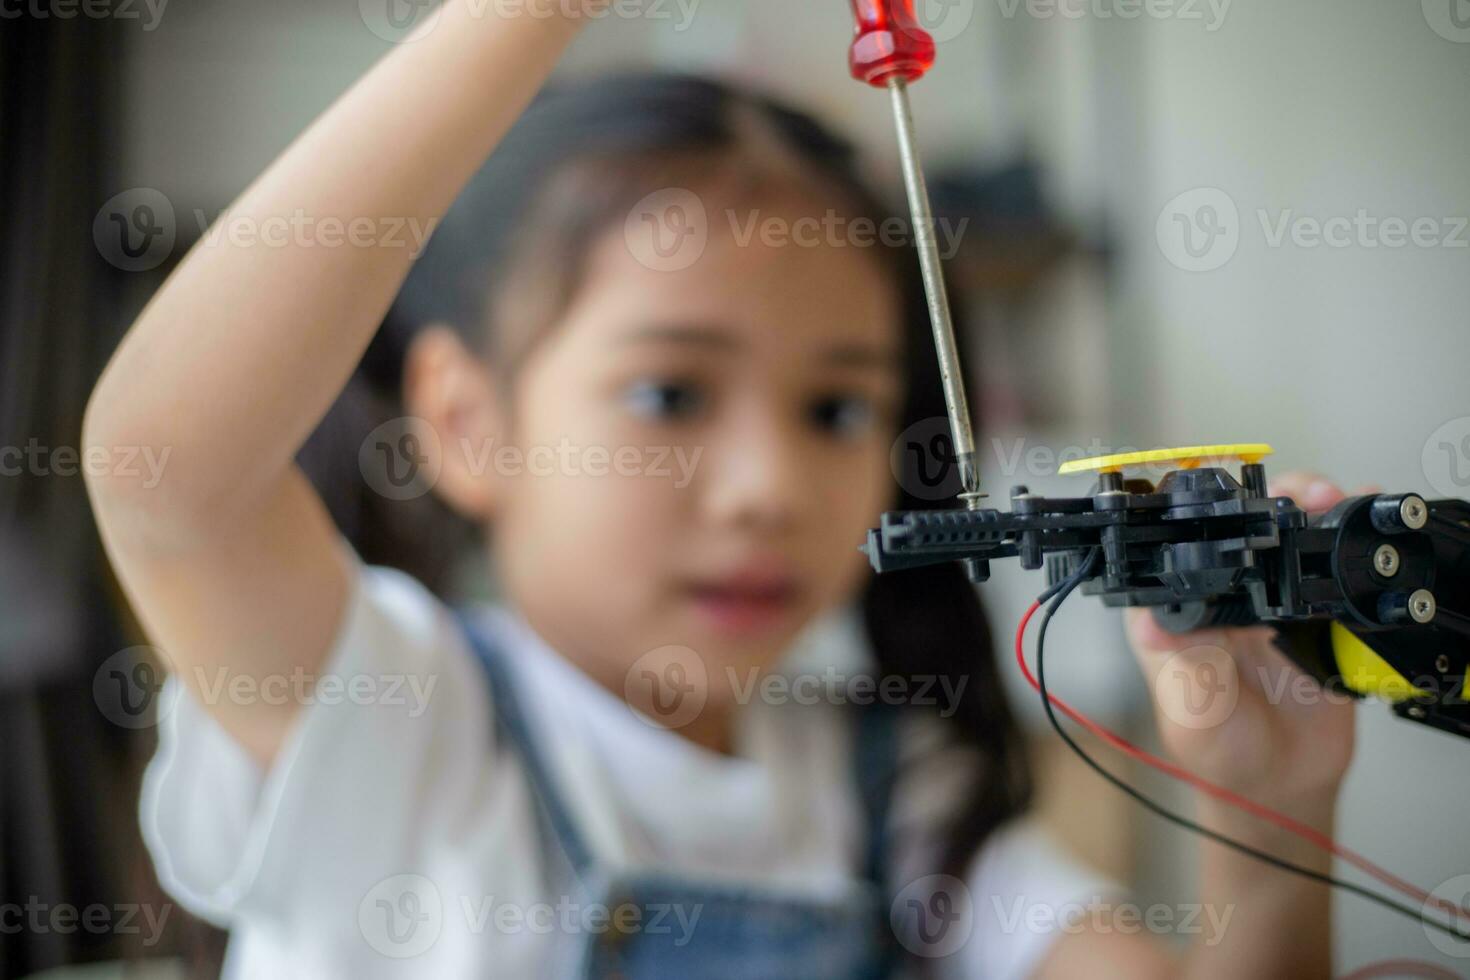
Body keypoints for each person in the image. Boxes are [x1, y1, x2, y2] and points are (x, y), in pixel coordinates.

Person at [83, 3, 1353, 976]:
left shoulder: (904, 793)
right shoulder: (394, 725)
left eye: (838, 408)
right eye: (670, 394)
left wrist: (1277, 808)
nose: (766, 486)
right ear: (466, 421)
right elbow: (171, 473)